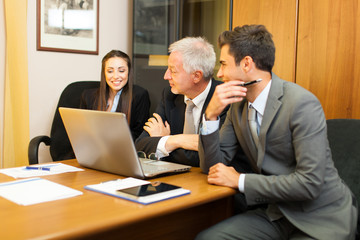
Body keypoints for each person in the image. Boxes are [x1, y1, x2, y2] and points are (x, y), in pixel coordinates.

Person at [196, 25, 358, 239]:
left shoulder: (301, 103)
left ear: (246, 64)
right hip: (275, 213)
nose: (220, 74)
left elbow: (309, 183)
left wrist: (240, 180)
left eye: (223, 64)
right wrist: (210, 116)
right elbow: (212, 168)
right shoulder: (237, 106)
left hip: (321, 216)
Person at [135, 37, 229, 166]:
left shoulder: (224, 99)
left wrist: (163, 141)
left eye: (173, 71)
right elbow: (140, 145)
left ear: (196, 76)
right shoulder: (169, 95)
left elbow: (211, 156)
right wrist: (176, 141)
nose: (166, 76)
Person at [81, 50, 150, 141]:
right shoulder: (88, 96)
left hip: (123, 149)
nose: (115, 76)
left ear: (128, 72)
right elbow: (81, 131)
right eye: (110, 71)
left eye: (121, 71)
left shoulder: (140, 95)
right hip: (93, 147)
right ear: (104, 73)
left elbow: (140, 134)